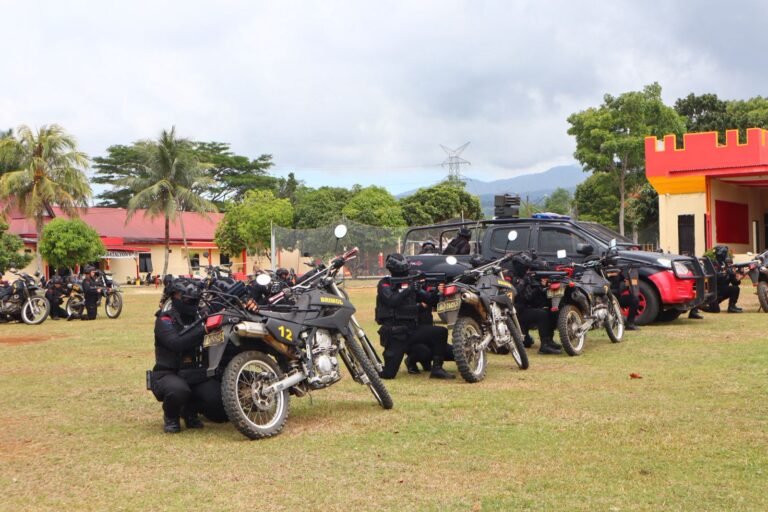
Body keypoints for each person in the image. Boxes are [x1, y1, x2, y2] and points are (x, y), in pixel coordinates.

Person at [150, 279, 227, 433]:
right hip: (168, 373)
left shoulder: (200, 315)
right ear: (174, 296)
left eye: (194, 299)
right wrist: (203, 329)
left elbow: (223, 309)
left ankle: (190, 411)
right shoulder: (164, 320)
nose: (190, 302)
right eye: (185, 297)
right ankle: (171, 416)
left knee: (219, 404)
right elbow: (176, 343)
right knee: (178, 390)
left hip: (196, 374)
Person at [375, 253, 455, 379]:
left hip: (413, 330)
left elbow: (431, 301)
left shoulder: (412, 283)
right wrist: (409, 289)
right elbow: (392, 301)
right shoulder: (385, 284)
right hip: (395, 334)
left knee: (440, 332)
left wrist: (436, 292)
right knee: (388, 374)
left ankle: (437, 369)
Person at [511, 252, 562, 355]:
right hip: (517, 313)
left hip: (525, 309)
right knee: (541, 314)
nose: (528, 270)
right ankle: (544, 346)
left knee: (550, 311)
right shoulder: (513, 278)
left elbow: (531, 297)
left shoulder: (526, 277)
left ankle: (548, 340)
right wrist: (527, 282)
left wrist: (542, 287)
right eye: (526, 267)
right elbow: (519, 294)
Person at [702, 245, 743, 313]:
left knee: (735, 288)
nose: (725, 255)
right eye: (724, 253)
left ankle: (732, 307)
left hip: (722, 292)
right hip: (713, 292)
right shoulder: (712, 264)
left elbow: (735, 283)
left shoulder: (726, 264)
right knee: (715, 310)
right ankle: (700, 306)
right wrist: (725, 273)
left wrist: (734, 275)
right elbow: (714, 278)